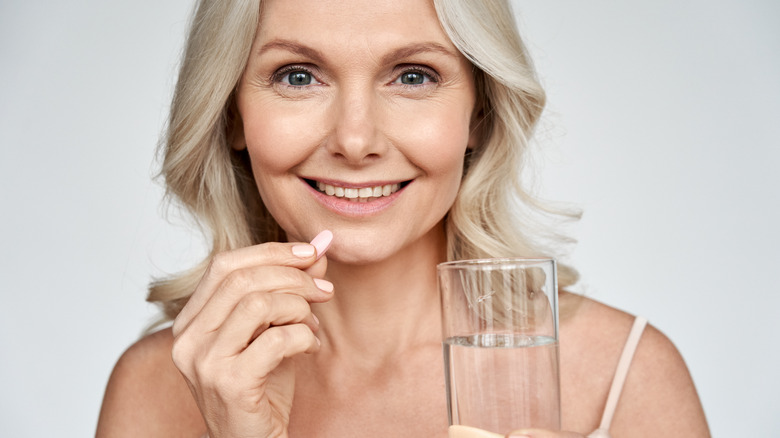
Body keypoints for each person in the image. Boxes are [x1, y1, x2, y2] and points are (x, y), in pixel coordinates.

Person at [96, 0, 710, 437]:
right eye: (298, 76)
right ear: (231, 114)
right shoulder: (155, 390)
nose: (355, 139)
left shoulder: (622, 378)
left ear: (478, 113)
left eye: (413, 75)